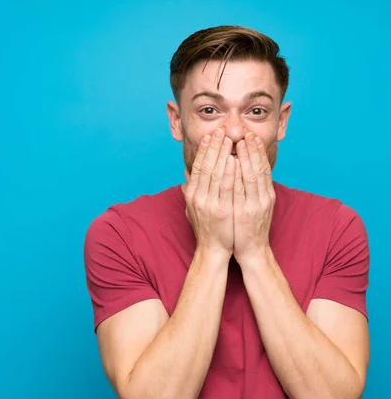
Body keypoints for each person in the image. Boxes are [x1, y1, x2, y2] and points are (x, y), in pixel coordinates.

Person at [83, 25, 370, 399]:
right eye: (209, 110)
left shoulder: (337, 227)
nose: (233, 132)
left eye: (255, 110)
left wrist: (254, 252)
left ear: (280, 122)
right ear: (176, 120)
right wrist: (213, 250)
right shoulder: (118, 233)